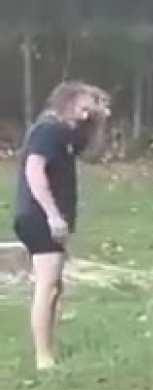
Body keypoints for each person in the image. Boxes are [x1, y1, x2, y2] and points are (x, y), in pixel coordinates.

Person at [14, 81, 111, 370]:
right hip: (39, 216)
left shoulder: (66, 135)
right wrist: (53, 214)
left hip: (48, 217)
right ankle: (44, 357)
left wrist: (101, 122)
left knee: (54, 286)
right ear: (66, 102)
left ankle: (48, 350)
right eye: (84, 108)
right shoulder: (48, 130)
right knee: (47, 285)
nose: (86, 116)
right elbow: (34, 171)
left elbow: (94, 154)